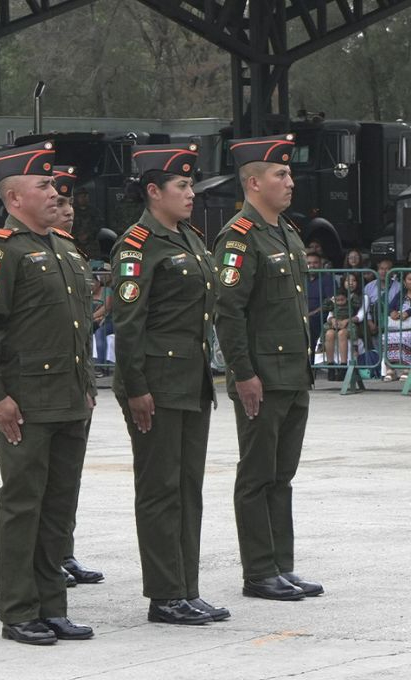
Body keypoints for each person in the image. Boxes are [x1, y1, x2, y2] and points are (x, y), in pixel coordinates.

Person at [0, 141, 97, 646]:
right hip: (26, 401)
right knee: (23, 506)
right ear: (14, 197)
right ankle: (20, 610)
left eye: (54, 185)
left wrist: (85, 386)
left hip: (68, 398)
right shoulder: (1, 252)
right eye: (42, 185)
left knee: (58, 508)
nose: (53, 192)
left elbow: (78, 327)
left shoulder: (64, 248)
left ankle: (52, 605)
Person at [111, 143, 227, 625]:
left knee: (188, 488)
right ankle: (164, 594)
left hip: (191, 383)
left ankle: (187, 587)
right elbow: (129, 323)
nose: (191, 194)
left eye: (191, 186)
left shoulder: (191, 239)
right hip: (156, 385)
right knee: (160, 489)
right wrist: (135, 387)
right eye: (181, 186)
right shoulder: (137, 244)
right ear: (153, 191)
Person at [213, 133, 323, 602]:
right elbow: (228, 310)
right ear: (254, 182)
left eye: (290, 173)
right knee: (257, 474)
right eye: (281, 174)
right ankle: (258, 571)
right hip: (262, 376)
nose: (290, 181)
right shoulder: (238, 237)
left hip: (293, 374)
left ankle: (282, 563)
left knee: (282, 474)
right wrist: (242, 373)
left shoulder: (286, 231)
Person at [52, 165, 104, 587]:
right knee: (43, 483)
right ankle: (47, 557)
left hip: (76, 379)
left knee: (68, 479)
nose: (67, 210)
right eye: (60, 201)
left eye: (70, 203)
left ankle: (62, 551)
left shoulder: (71, 252)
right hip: (43, 387)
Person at [304, 251, 333, 349]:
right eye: (309, 263)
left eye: (315, 263)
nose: (312, 265)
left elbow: (330, 301)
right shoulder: (302, 279)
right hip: (303, 316)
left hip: (320, 317)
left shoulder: (327, 279)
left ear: (321, 264)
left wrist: (311, 314)